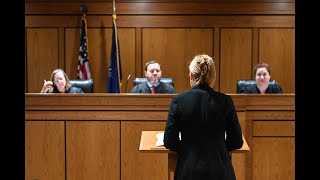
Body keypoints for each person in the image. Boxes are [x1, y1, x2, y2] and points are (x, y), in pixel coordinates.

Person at [163, 54, 243, 180]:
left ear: (191, 75)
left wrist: (186, 148)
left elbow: (169, 141)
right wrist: (218, 147)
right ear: (213, 77)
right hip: (220, 172)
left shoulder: (179, 101)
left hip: (188, 171)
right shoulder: (225, 101)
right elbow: (237, 141)